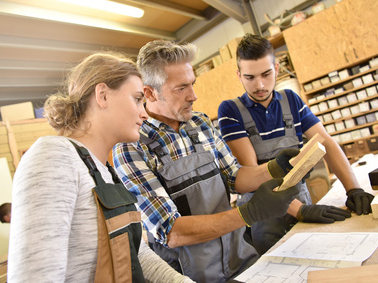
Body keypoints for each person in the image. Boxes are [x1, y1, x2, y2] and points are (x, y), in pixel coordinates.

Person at [113, 39, 302, 283]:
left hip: (241, 261)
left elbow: (234, 177)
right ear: (150, 92)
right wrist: (250, 212)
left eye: (192, 83)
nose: (194, 95)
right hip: (191, 277)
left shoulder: (200, 123)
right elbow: (171, 232)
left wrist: (274, 168)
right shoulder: (132, 147)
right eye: (181, 88)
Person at [7, 51, 195, 282]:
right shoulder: (54, 156)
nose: (144, 113)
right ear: (103, 95)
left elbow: (134, 252)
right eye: (137, 99)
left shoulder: (104, 171)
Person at [217, 33, 373, 255]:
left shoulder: (291, 99)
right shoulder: (230, 111)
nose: (259, 85)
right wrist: (301, 211)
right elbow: (251, 177)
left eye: (266, 74)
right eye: (250, 77)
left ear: (277, 69)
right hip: (265, 214)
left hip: (302, 201)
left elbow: (325, 142)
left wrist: (353, 188)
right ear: (239, 75)